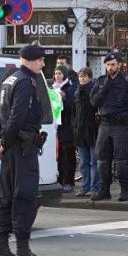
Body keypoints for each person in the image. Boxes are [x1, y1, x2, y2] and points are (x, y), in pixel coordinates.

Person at [0, 44, 52, 256]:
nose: (43, 64)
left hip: (10, 147)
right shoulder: (25, 82)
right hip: (21, 148)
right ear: (31, 60)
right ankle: (23, 251)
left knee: (5, 197)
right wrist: (4, 140)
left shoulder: (10, 79)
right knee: (25, 197)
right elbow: (16, 116)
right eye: (41, 60)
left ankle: (2, 249)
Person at [90, 52, 128, 202]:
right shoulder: (101, 81)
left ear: (120, 65)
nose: (110, 67)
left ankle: (125, 190)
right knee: (102, 158)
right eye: (108, 65)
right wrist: (103, 89)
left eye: (113, 65)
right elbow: (93, 102)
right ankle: (104, 190)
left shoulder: (127, 81)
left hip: (121, 125)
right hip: (104, 124)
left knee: (121, 159)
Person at [73, 67, 100, 198]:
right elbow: (75, 112)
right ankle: (85, 186)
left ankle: (94, 187)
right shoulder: (77, 91)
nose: (82, 78)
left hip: (93, 130)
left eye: (84, 76)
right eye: (80, 76)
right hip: (81, 131)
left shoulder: (94, 89)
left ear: (89, 77)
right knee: (84, 162)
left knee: (94, 162)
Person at [53, 65, 77, 193]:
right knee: (59, 156)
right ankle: (60, 180)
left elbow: (73, 106)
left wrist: (64, 98)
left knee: (68, 156)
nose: (57, 76)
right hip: (56, 127)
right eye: (56, 73)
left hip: (67, 127)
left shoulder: (70, 88)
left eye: (60, 73)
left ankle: (69, 181)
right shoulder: (53, 88)